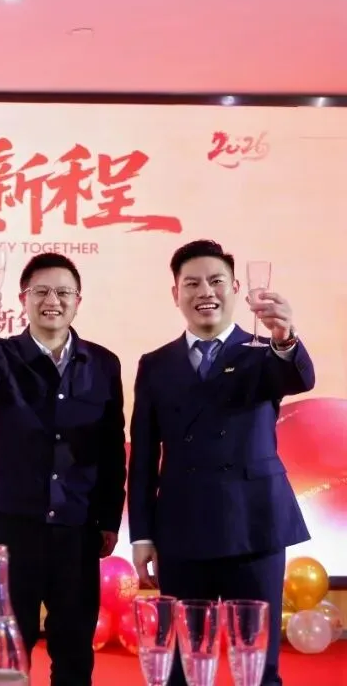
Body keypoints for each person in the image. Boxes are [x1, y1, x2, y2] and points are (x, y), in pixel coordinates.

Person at [128, 240, 314, 686]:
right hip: (182, 528)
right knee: (181, 662)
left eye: (215, 281)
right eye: (192, 283)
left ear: (235, 289)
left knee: (258, 664)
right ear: (175, 294)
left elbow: (299, 377)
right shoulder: (155, 364)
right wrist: (143, 534)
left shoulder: (263, 351)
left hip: (254, 524)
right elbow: (144, 454)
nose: (204, 292)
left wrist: (285, 337)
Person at [0, 253, 126, 686]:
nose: (52, 301)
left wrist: (108, 519)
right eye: (41, 292)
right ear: (23, 299)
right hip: (14, 528)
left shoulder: (103, 363)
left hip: (76, 529)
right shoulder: (2, 354)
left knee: (74, 651)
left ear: (78, 300)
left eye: (63, 292)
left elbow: (111, 448)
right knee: (9, 650)